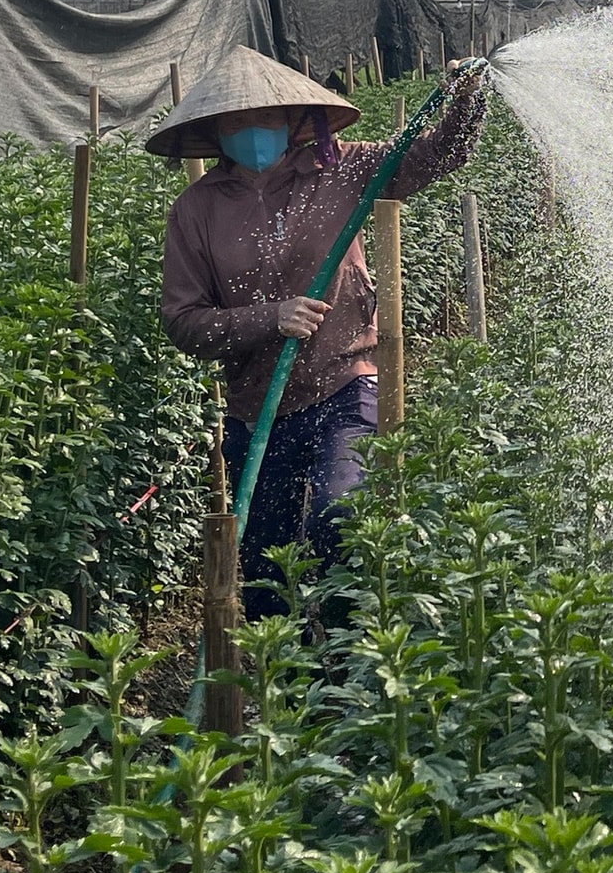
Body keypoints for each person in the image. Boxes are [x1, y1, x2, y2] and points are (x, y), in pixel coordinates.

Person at [147, 45, 487, 619]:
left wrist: (466, 100)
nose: (254, 131)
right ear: (215, 132)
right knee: (264, 570)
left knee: (341, 518)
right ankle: (286, 687)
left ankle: (349, 671)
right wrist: (267, 318)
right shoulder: (195, 211)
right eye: (237, 121)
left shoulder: (343, 168)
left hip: (344, 384)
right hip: (257, 407)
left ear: (294, 121)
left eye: (267, 118)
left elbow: (435, 154)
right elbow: (184, 323)